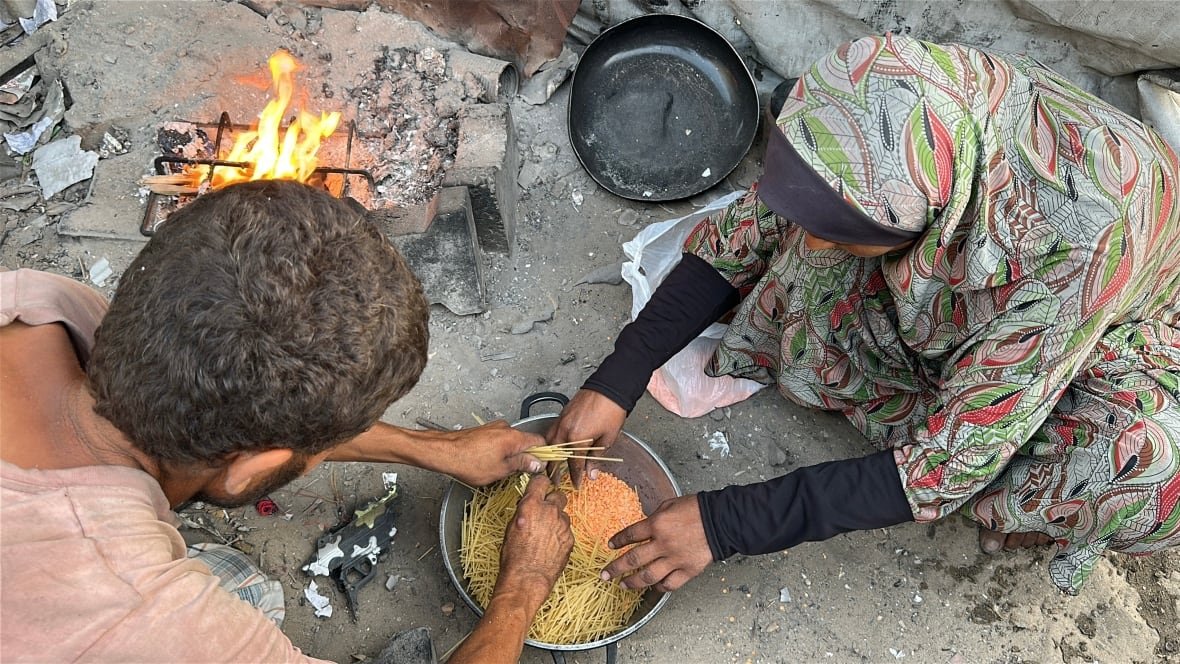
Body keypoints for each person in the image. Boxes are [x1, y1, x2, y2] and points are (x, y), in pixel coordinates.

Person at [548, 33, 1180, 597]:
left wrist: (723, 523)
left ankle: (1028, 508)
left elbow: (952, 460)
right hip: (982, 277)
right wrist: (617, 378)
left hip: (1106, 334)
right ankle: (923, 394)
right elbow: (740, 239)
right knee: (808, 251)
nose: (812, 245)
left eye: (842, 231)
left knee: (1143, 463)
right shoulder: (875, 114)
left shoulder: (1082, 244)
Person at [0, 180, 573, 663]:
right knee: (249, 594)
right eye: (320, 450)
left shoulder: (39, 306)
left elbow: (228, 410)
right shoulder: (153, 619)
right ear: (249, 470)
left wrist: (432, 448)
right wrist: (524, 586)